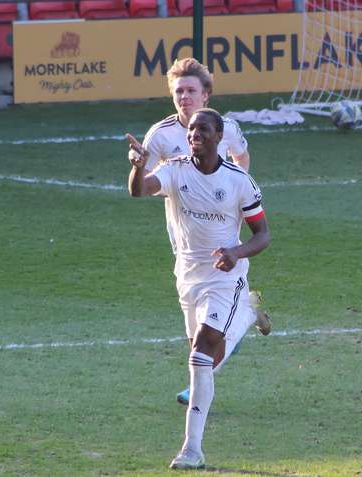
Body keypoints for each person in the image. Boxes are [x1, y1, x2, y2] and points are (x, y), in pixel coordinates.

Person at [128, 108, 271, 469]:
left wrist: (235, 253)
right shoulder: (176, 170)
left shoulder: (240, 182)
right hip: (188, 277)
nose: (194, 134)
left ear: (219, 136)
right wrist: (138, 166)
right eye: (191, 129)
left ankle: (192, 449)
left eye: (203, 129)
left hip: (225, 278)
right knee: (207, 356)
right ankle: (250, 313)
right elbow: (139, 191)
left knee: (201, 353)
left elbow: (263, 234)